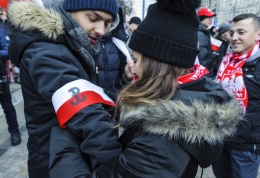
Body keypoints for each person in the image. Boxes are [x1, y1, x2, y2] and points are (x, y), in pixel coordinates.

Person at [49, 0, 243, 177]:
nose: (132, 66)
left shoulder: (158, 146)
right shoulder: (192, 93)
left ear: (156, 65)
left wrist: (63, 135)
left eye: (135, 59)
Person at [7, 0, 121, 177]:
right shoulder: (46, 52)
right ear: (69, 11)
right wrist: (113, 171)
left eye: (107, 23)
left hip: (68, 155)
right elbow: (89, 116)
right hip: (52, 163)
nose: (101, 30)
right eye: (93, 18)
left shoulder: (75, 45)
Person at [212, 13, 260, 178]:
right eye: (231, 33)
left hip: (246, 146)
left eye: (241, 32)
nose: (234, 37)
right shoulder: (227, 60)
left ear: (259, 34)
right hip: (220, 138)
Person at [98, 7, 131, 101]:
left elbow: (123, 78)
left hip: (115, 101)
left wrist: (127, 77)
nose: (101, 28)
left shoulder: (119, 44)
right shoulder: (86, 43)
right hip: (91, 103)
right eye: (93, 19)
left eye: (107, 22)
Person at [0, 26, 21, 146]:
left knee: (7, 107)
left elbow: (7, 51)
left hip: (0, 78)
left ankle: (14, 131)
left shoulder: (0, 30)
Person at [197, 7, 217, 78]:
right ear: (201, 18)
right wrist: (206, 76)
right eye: (208, 17)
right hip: (205, 74)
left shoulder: (203, 31)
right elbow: (202, 58)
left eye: (211, 17)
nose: (211, 20)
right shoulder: (200, 33)